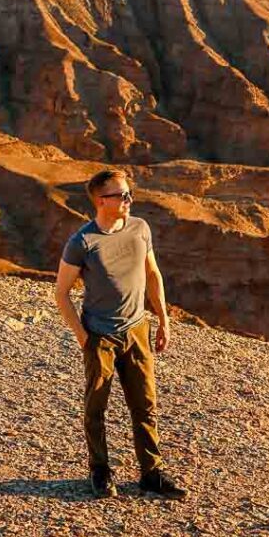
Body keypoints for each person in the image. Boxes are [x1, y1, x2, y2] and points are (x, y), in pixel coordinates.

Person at [55, 169, 186, 499]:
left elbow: (153, 274)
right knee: (96, 406)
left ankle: (151, 473)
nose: (129, 200)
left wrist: (163, 320)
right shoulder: (82, 242)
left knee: (145, 404)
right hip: (100, 336)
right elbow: (61, 293)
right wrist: (83, 337)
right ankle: (100, 471)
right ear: (101, 201)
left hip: (137, 329)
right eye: (121, 195)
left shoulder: (140, 229)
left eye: (129, 193)